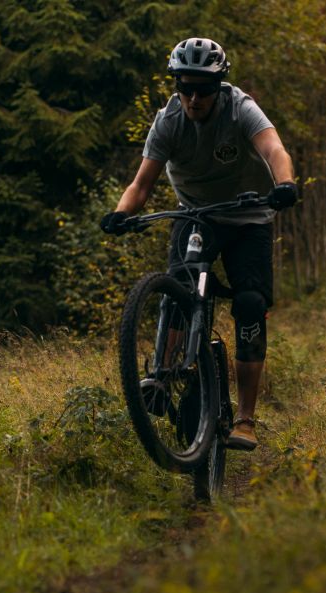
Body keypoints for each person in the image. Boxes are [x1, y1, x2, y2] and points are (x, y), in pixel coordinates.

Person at [101, 37, 297, 451]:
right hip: (195, 215)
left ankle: (245, 418)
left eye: (203, 89)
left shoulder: (240, 107)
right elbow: (142, 183)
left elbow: (274, 149)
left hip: (248, 217)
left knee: (247, 304)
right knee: (177, 288)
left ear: (219, 85)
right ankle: (163, 374)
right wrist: (121, 214)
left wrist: (284, 184)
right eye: (184, 87)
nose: (193, 98)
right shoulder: (169, 119)